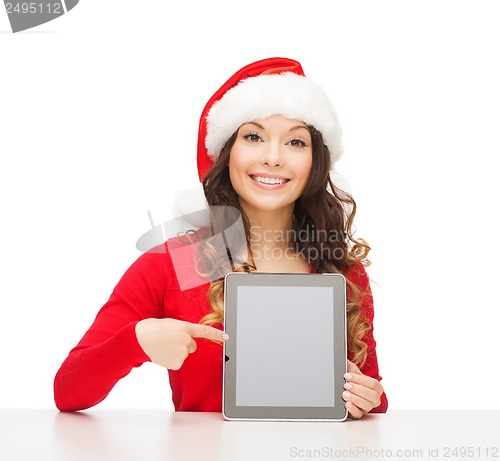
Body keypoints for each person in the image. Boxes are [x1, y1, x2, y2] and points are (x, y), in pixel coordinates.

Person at [54, 57, 388, 418]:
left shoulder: (342, 271)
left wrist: (366, 397)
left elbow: (374, 403)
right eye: (254, 137)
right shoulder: (176, 264)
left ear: (316, 161)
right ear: (227, 154)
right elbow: (68, 392)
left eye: (295, 142)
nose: (273, 158)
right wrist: (135, 342)